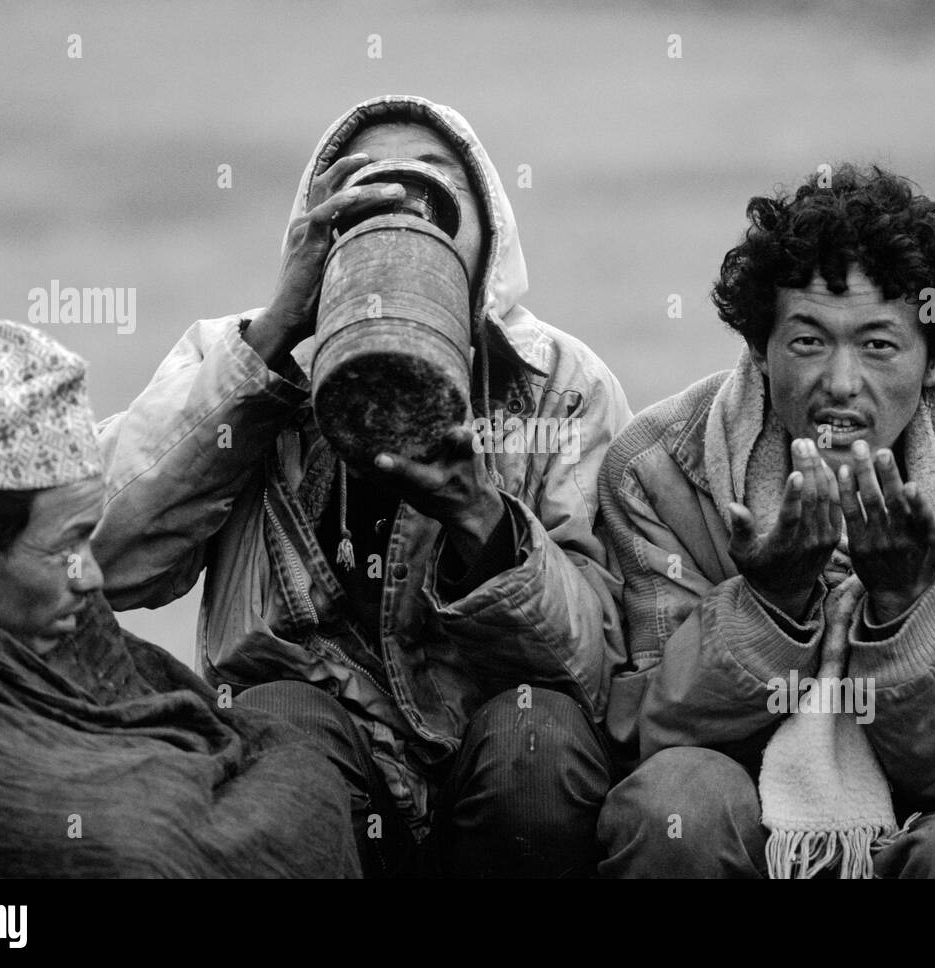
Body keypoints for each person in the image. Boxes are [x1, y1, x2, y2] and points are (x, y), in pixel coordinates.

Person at [92, 95, 630, 877]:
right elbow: (110, 556)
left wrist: (483, 523)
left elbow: (600, 664)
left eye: (439, 196)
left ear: (489, 242)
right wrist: (274, 340)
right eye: (363, 195)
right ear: (316, 235)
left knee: (538, 740)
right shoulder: (239, 356)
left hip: (492, 746)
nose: (405, 214)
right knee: (275, 727)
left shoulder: (557, 384)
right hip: (318, 746)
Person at [596, 164, 935, 878]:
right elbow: (650, 729)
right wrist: (770, 601)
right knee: (677, 804)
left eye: (879, 345)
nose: (838, 382)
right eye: (806, 341)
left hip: (930, 812)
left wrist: (907, 609)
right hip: (746, 812)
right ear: (760, 349)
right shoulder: (656, 469)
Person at [0, 318, 358, 877]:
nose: (91, 578)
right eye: (64, 547)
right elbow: (131, 853)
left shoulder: (64, 630)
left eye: (88, 536)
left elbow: (283, 764)